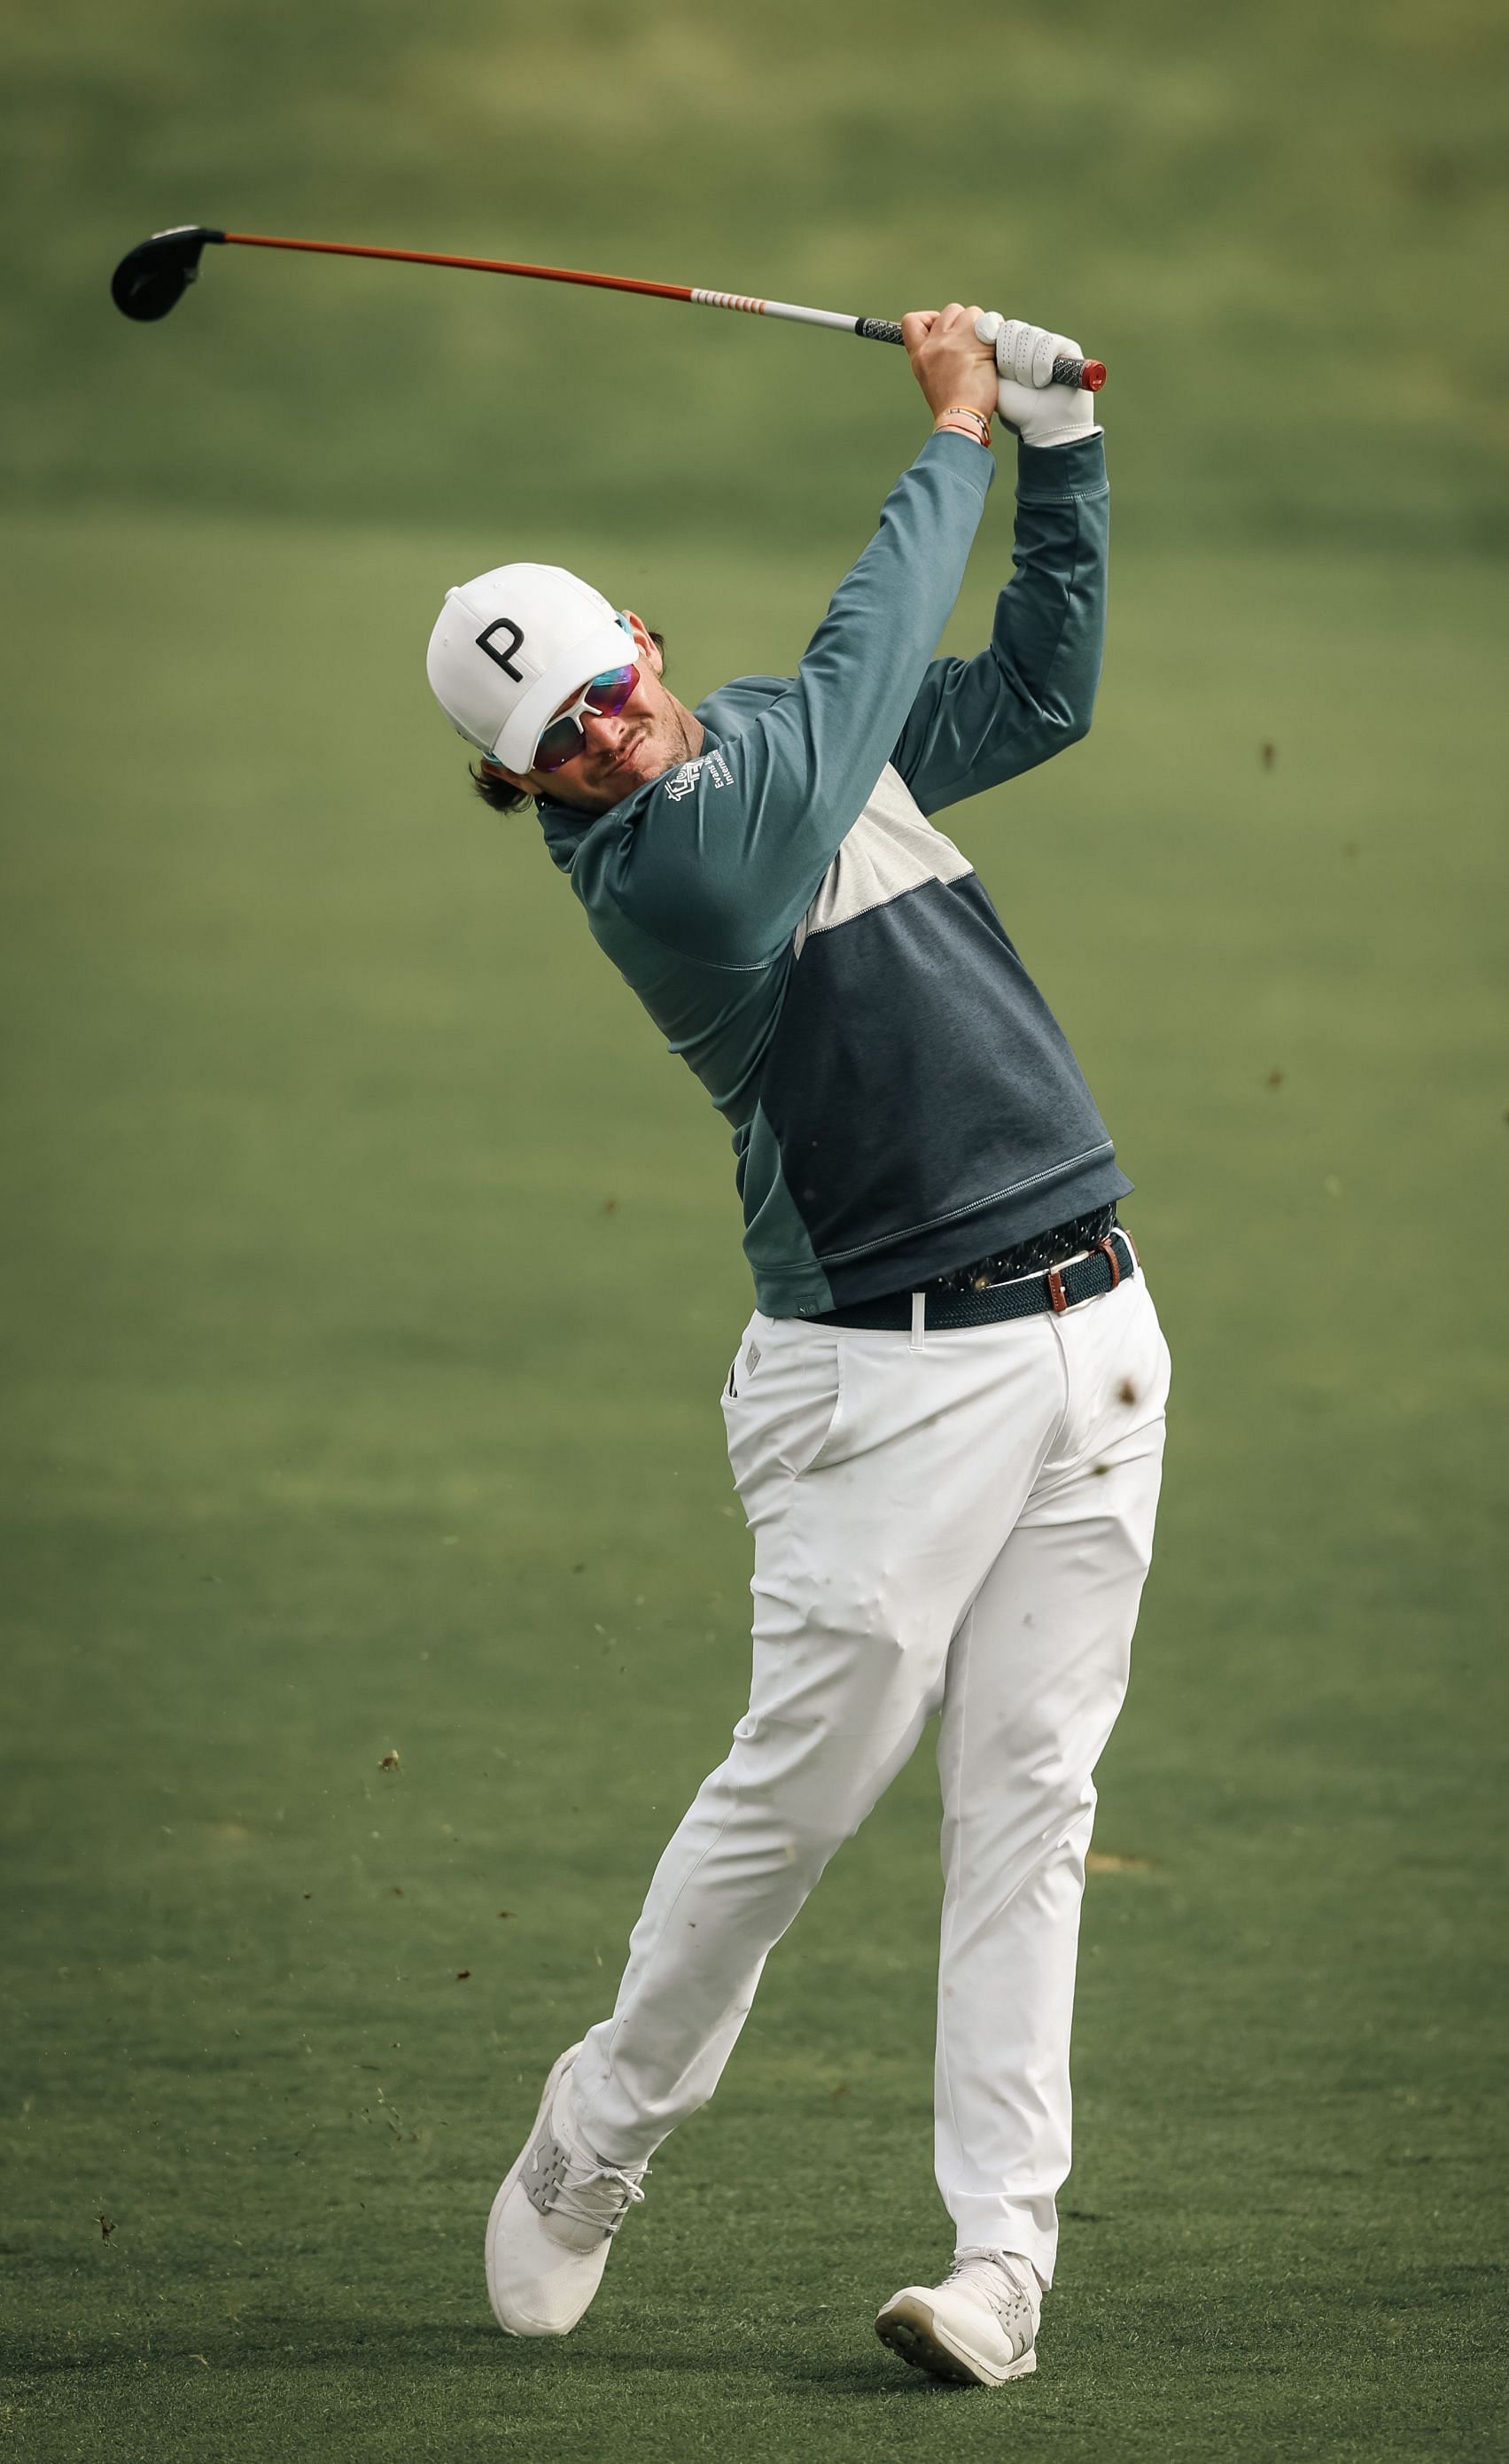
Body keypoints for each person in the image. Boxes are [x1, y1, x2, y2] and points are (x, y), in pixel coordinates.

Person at [425, 304, 1171, 2388]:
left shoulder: (754, 730)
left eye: (606, 683)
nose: (601, 730)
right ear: (521, 788)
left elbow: (1040, 687)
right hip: (882, 1383)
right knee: (804, 1797)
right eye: (553, 739)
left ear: (642, 636)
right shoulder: (667, 869)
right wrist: (951, 432)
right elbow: (853, 690)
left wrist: (1061, 448)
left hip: (1094, 1336)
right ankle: (597, 2133)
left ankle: (999, 2262)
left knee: (1031, 1797)